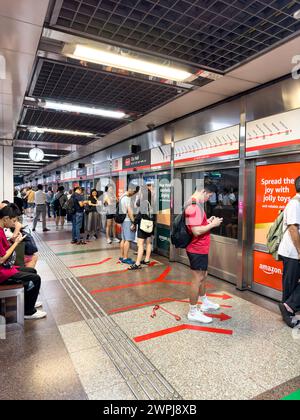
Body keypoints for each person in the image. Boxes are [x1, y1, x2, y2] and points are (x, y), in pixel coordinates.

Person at [185, 183, 223, 324]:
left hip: (199, 248)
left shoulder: (194, 204)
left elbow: (196, 225)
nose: (209, 199)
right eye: (209, 196)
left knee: (203, 275)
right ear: (203, 191)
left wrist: (207, 221)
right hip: (196, 249)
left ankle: (204, 301)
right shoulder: (194, 206)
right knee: (197, 279)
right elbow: (196, 231)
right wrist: (212, 225)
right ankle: (193, 311)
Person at [0, 206, 46, 320]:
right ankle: (29, 312)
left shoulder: (1, 230)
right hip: (2, 273)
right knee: (35, 278)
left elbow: (5, 249)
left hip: (6, 268)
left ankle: (28, 303)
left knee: (32, 271)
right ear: (5, 218)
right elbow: (1, 259)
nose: (15, 223)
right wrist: (16, 243)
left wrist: (14, 240)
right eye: (14, 221)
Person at [278, 177, 300, 328]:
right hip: (293, 252)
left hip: (295, 251)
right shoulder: (294, 203)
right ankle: (288, 312)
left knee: (290, 283)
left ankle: (288, 309)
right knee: (290, 283)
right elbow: (293, 228)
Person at [129, 185, 155, 270]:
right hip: (150, 225)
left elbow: (140, 215)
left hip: (143, 225)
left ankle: (137, 263)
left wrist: (133, 223)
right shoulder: (152, 202)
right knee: (148, 243)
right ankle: (147, 260)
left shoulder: (143, 202)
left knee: (140, 245)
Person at [119, 184, 137, 265]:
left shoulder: (122, 196)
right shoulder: (127, 198)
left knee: (123, 239)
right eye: (134, 191)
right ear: (130, 189)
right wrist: (133, 222)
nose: (134, 193)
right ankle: (125, 258)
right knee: (128, 240)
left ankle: (122, 256)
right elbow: (129, 211)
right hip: (127, 220)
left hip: (123, 220)